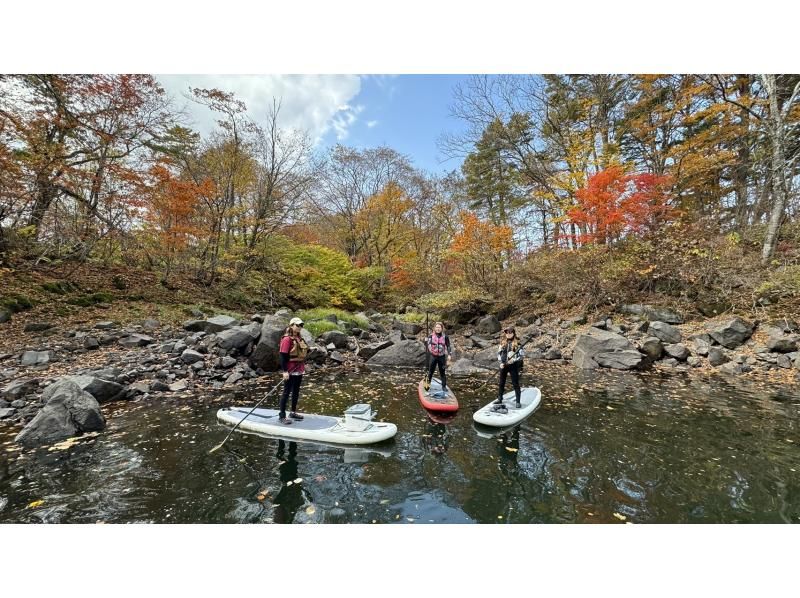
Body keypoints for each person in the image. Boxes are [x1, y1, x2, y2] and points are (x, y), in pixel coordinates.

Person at [278, 316, 309, 424]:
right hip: (290, 370)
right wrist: (285, 371)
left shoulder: (300, 338)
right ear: (291, 325)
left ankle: (293, 412)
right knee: (286, 392)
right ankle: (282, 416)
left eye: (301, 325)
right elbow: (282, 356)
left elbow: (303, 351)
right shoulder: (286, 339)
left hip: (299, 369)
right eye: (297, 325)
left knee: (296, 391)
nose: (300, 327)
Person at [493, 326, 525, 412]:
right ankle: (500, 398)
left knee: (515, 383)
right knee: (501, 383)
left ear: (513, 333)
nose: (508, 334)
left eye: (510, 332)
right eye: (507, 332)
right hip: (503, 365)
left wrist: (514, 360)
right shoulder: (502, 343)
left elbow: (522, 356)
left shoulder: (518, 343)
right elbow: (499, 354)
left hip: (513, 366)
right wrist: (500, 363)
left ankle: (518, 401)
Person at [424, 321, 452, 394]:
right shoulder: (430, 336)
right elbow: (428, 345)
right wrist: (425, 341)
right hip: (433, 356)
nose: (438, 329)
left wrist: (449, 355)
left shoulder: (445, 336)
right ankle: (428, 385)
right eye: (436, 327)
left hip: (441, 357)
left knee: (442, 372)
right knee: (431, 372)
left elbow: (448, 346)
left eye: (439, 327)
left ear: (442, 328)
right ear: (434, 328)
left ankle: (443, 386)